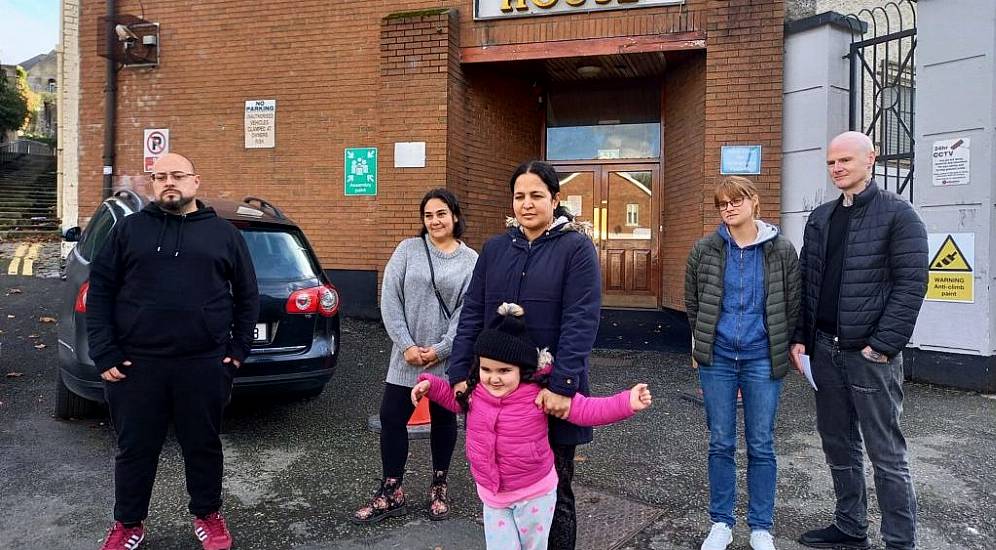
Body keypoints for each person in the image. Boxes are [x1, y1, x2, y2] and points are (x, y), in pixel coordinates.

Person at [87, 153, 259, 550]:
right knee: (135, 449)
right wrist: (105, 352)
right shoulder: (129, 230)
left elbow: (248, 296)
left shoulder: (224, 234)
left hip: (203, 363)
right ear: (152, 183)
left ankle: (207, 515)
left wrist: (236, 352)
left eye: (178, 176)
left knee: (202, 444)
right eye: (160, 176)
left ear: (195, 182)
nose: (169, 182)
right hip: (137, 364)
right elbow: (100, 293)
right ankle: (128, 523)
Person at [447, 160, 602, 550]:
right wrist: (459, 373)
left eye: (536, 195)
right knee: (503, 494)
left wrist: (564, 385)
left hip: (550, 393)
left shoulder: (576, 248)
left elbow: (581, 320)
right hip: (498, 391)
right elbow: (472, 313)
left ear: (555, 198)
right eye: (520, 196)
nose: (527, 204)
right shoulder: (497, 248)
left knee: (558, 494)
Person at [413, 303, 651, 550]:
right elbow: (454, 399)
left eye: (504, 370)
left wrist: (626, 402)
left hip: (534, 494)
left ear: (521, 369)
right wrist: (430, 385)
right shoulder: (476, 393)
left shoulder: (539, 396)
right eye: (486, 369)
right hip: (493, 495)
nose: (494, 377)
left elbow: (586, 410)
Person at [792, 131, 928, 550]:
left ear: (871, 158)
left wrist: (883, 344)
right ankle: (850, 528)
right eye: (832, 162)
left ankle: (899, 542)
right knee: (838, 444)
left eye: (845, 161)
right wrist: (800, 338)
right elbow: (806, 281)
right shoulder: (820, 217)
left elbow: (912, 283)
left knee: (885, 453)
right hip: (824, 351)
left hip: (870, 355)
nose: (837, 169)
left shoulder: (899, 215)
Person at [685, 176, 801, 550]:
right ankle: (721, 522)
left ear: (754, 201)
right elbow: (694, 302)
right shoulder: (705, 249)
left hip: (761, 358)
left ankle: (761, 527)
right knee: (720, 441)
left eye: (736, 201)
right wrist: (701, 340)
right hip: (717, 358)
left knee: (761, 443)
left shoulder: (781, 249)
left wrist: (782, 343)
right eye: (722, 204)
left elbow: (793, 302)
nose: (729, 208)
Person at [352, 188, 478, 524]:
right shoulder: (408, 250)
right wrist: (406, 345)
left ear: (455, 216)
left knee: (443, 420)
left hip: (446, 361)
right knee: (392, 417)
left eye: (441, 214)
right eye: (428, 215)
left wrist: (439, 350)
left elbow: (468, 314)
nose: (435, 221)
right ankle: (392, 489)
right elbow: (390, 298)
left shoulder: (471, 261)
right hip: (404, 358)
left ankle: (439, 484)